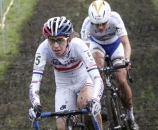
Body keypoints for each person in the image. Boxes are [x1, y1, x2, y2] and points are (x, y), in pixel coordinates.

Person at [28, 16, 104, 130]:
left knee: (87, 105)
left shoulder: (79, 46)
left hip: (84, 81)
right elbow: (35, 81)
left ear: (69, 39)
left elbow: (97, 78)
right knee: (62, 127)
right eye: (51, 40)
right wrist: (35, 105)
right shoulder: (43, 49)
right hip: (63, 86)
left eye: (60, 40)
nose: (55, 46)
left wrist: (96, 100)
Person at [80, 0, 139, 130]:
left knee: (122, 80)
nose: (100, 27)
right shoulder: (87, 24)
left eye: (103, 23)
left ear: (108, 18)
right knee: (97, 71)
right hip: (97, 46)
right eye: (96, 24)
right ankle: (101, 102)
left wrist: (127, 60)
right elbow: (85, 50)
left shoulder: (115, 18)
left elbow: (125, 43)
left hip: (115, 46)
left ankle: (130, 115)